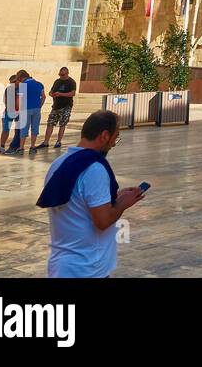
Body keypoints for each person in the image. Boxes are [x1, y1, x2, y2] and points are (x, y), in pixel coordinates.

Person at [38, 109, 145, 278]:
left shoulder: (59, 164)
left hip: (62, 265)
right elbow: (102, 221)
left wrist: (115, 197)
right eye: (115, 137)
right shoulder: (94, 169)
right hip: (86, 268)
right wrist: (124, 203)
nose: (113, 144)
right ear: (104, 136)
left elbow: (78, 204)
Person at [47, 66, 78, 149]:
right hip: (56, 105)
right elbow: (51, 91)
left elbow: (72, 93)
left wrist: (60, 94)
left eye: (63, 74)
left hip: (66, 106)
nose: (61, 76)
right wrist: (51, 94)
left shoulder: (71, 82)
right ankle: (46, 142)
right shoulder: (57, 81)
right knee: (50, 123)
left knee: (62, 124)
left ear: (67, 73)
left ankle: (58, 141)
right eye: (60, 74)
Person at [20, 70, 46, 150]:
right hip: (37, 109)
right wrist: (39, 106)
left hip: (26, 109)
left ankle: (21, 147)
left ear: (22, 77)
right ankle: (33, 146)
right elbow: (43, 97)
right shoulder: (39, 84)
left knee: (24, 128)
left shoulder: (23, 85)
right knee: (35, 127)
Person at [0, 74, 20, 153]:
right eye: (11, 82)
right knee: (5, 129)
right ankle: (2, 145)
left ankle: (18, 146)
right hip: (9, 111)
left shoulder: (21, 89)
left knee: (18, 130)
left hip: (19, 111)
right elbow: (5, 101)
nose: (12, 84)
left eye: (14, 82)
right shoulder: (8, 89)